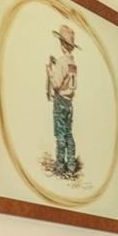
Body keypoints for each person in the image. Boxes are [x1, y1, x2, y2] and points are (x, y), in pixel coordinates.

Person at [46, 24, 80, 177]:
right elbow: (67, 79)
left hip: (60, 102)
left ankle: (60, 166)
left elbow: (57, 83)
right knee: (68, 133)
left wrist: (50, 71)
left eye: (61, 41)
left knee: (60, 134)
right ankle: (71, 164)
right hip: (69, 103)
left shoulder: (61, 62)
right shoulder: (72, 63)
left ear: (63, 45)